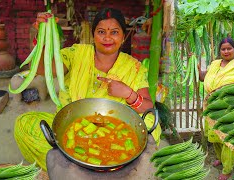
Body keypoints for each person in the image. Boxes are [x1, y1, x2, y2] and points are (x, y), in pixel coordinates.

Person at [13, 8, 161, 171]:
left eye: (114, 32)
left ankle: (72, 168)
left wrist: (128, 93)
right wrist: (43, 37)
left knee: (150, 127)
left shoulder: (134, 67)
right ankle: (84, 168)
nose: (107, 37)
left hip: (114, 128)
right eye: (101, 31)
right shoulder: (77, 54)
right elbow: (44, 70)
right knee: (24, 123)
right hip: (70, 124)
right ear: (93, 35)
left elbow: (148, 108)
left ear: (123, 37)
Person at [198, 37, 234, 180]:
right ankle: (220, 159)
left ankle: (227, 169)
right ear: (220, 51)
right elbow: (204, 77)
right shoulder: (215, 64)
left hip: (229, 108)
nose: (226, 51)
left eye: (229, 48)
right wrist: (197, 68)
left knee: (228, 139)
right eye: (223, 49)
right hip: (211, 106)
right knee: (215, 136)